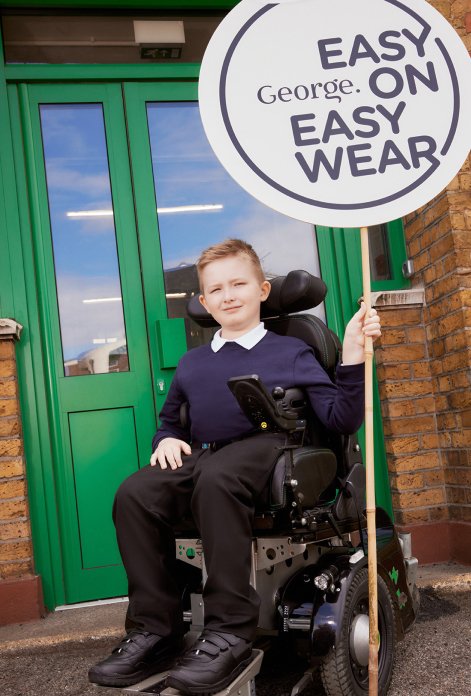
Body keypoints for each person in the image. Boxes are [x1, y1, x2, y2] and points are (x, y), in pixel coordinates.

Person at [89, 239, 381, 693]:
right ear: (204, 302)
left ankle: (229, 632)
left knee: (217, 476)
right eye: (216, 289)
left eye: (239, 283)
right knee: (135, 493)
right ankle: (156, 631)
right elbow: (170, 423)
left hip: (275, 449)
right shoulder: (192, 364)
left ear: (263, 290)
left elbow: (340, 419)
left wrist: (353, 354)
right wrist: (165, 439)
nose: (228, 295)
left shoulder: (293, 351)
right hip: (209, 454)